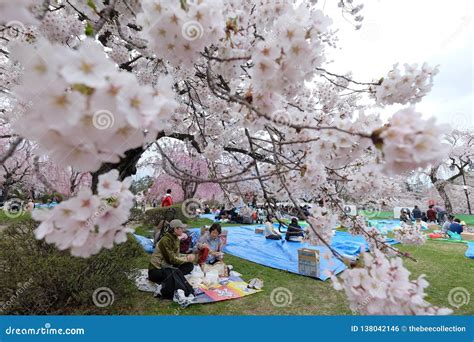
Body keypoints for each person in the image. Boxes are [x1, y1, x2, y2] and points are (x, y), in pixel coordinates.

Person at [148, 219, 195, 299]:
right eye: (181, 228)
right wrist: (186, 259)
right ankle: (178, 285)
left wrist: (187, 257)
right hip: (156, 270)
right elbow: (171, 259)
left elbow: (176, 255)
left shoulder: (176, 239)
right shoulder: (165, 240)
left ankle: (174, 277)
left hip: (167, 266)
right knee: (173, 271)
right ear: (175, 229)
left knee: (189, 265)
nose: (183, 230)